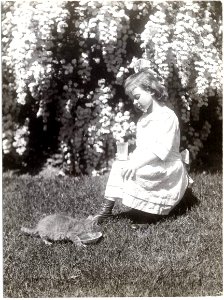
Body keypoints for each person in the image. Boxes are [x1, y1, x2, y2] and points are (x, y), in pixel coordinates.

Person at [95, 60, 192, 222]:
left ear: (151, 91)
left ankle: (149, 212)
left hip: (166, 164)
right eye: (132, 98)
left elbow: (161, 150)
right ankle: (107, 209)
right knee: (120, 165)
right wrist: (130, 161)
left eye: (137, 96)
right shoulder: (143, 119)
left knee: (141, 171)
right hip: (149, 160)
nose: (135, 102)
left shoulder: (166, 116)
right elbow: (143, 148)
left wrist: (136, 164)